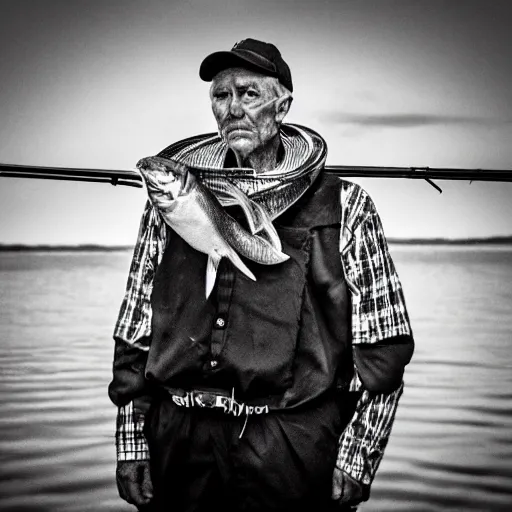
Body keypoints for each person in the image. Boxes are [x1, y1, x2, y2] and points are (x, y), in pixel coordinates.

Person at [108, 38, 414, 512]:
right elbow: (134, 332)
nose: (233, 109)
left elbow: (383, 352)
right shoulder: (168, 203)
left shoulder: (348, 206)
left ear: (283, 103)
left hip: (292, 445)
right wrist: (131, 445)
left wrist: (358, 457)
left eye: (249, 94)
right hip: (178, 441)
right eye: (221, 95)